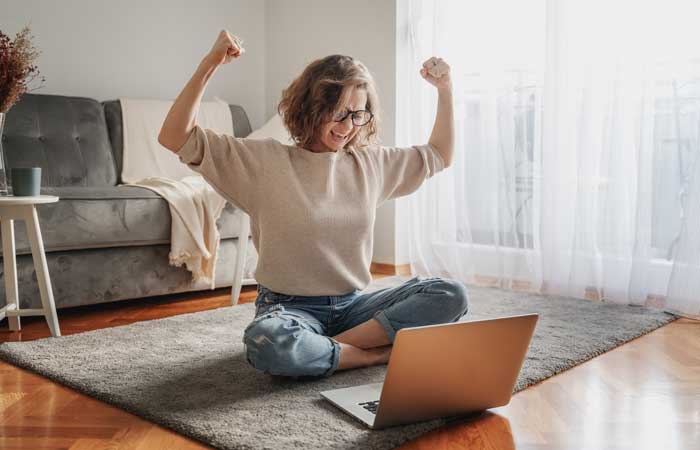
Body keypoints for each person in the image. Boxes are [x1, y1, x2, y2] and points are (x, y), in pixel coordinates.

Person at [158, 30, 469, 378]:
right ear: (312, 107)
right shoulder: (264, 161)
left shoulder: (370, 163)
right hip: (288, 309)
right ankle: (368, 355)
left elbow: (440, 154)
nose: (348, 126)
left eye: (358, 114)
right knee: (267, 342)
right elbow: (173, 136)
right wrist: (210, 63)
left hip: (355, 305)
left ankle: (325, 348)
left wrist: (445, 89)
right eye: (339, 112)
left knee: (450, 293)